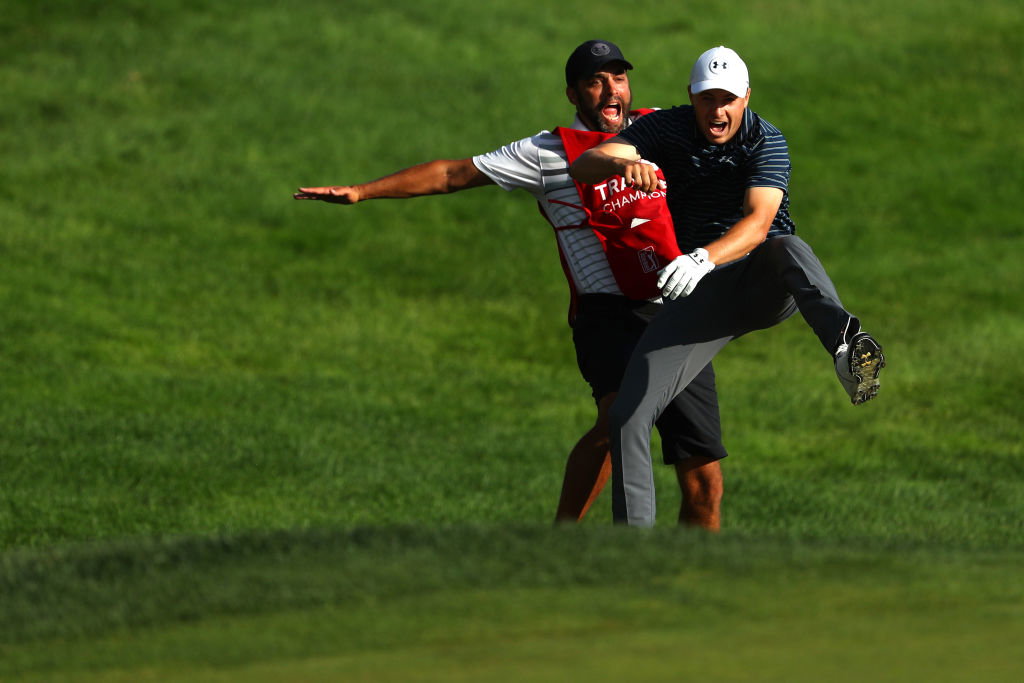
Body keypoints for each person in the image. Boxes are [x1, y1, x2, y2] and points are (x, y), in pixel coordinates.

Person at [294, 40, 728, 529]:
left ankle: (693, 570)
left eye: (619, 78)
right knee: (616, 423)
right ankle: (560, 540)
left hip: (674, 309)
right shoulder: (546, 152)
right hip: (607, 314)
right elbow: (452, 174)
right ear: (573, 95)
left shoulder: (661, 129)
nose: (611, 90)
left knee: (704, 477)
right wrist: (361, 191)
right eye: (595, 81)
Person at [570, 45, 886, 527]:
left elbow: (758, 224)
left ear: (746, 98)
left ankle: (846, 346)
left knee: (786, 246)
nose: (717, 111)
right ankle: (632, 550)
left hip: (760, 282)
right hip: (699, 297)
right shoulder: (667, 128)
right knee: (627, 416)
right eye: (707, 98)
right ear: (691, 97)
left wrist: (703, 257)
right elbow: (586, 164)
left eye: (728, 99)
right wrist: (621, 163)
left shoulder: (766, 140)